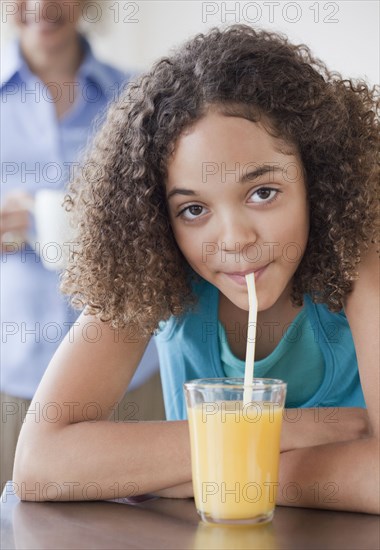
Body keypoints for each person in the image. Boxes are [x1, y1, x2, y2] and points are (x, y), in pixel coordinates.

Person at [13, 25, 379, 513]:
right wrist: (298, 432)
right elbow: (40, 465)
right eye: (193, 210)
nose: (234, 240)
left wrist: (207, 474)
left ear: (317, 177)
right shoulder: (157, 267)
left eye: (262, 193)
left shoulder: (361, 257)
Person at [1, 0, 163, 492]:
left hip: (132, 369)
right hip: (14, 368)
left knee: (140, 525)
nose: (41, 5)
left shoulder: (142, 98)